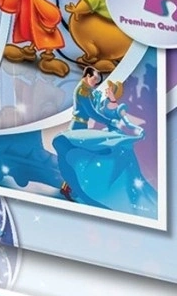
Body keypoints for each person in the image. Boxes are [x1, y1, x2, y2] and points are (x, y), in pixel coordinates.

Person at [53, 75, 156, 215]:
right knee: (83, 151)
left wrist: (138, 130)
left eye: (110, 89)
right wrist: (95, 100)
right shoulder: (103, 103)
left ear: (114, 92)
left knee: (102, 157)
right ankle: (72, 186)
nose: (107, 90)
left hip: (113, 135)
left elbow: (127, 122)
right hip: (104, 133)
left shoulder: (119, 108)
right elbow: (94, 112)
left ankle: (86, 188)